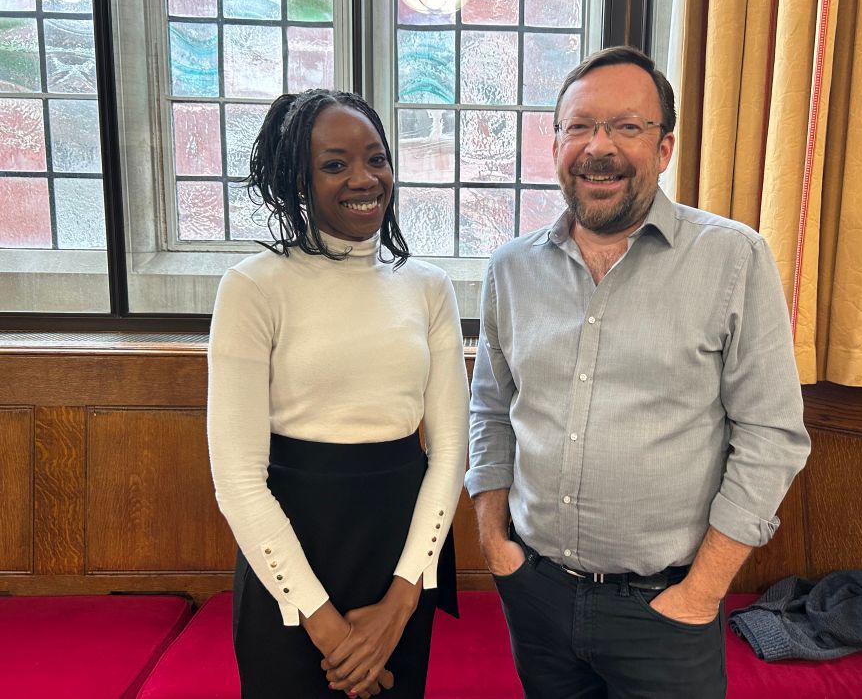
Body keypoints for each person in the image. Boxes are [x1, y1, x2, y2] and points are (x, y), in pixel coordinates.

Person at [466, 46, 811, 699]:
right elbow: (489, 407)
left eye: (627, 127)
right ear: (556, 145)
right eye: (580, 127)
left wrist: (702, 591)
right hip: (536, 592)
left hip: (666, 609)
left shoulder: (734, 259)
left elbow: (772, 436)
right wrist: (495, 544)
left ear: (665, 148)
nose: (599, 147)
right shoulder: (511, 269)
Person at [208, 89, 469, 699]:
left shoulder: (429, 288)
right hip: (289, 558)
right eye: (334, 164)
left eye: (376, 159)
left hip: (401, 554)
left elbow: (451, 450)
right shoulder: (252, 288)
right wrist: (334, 636)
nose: (363, 178)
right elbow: (239, 482)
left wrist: (400, 604)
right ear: (297, 176)